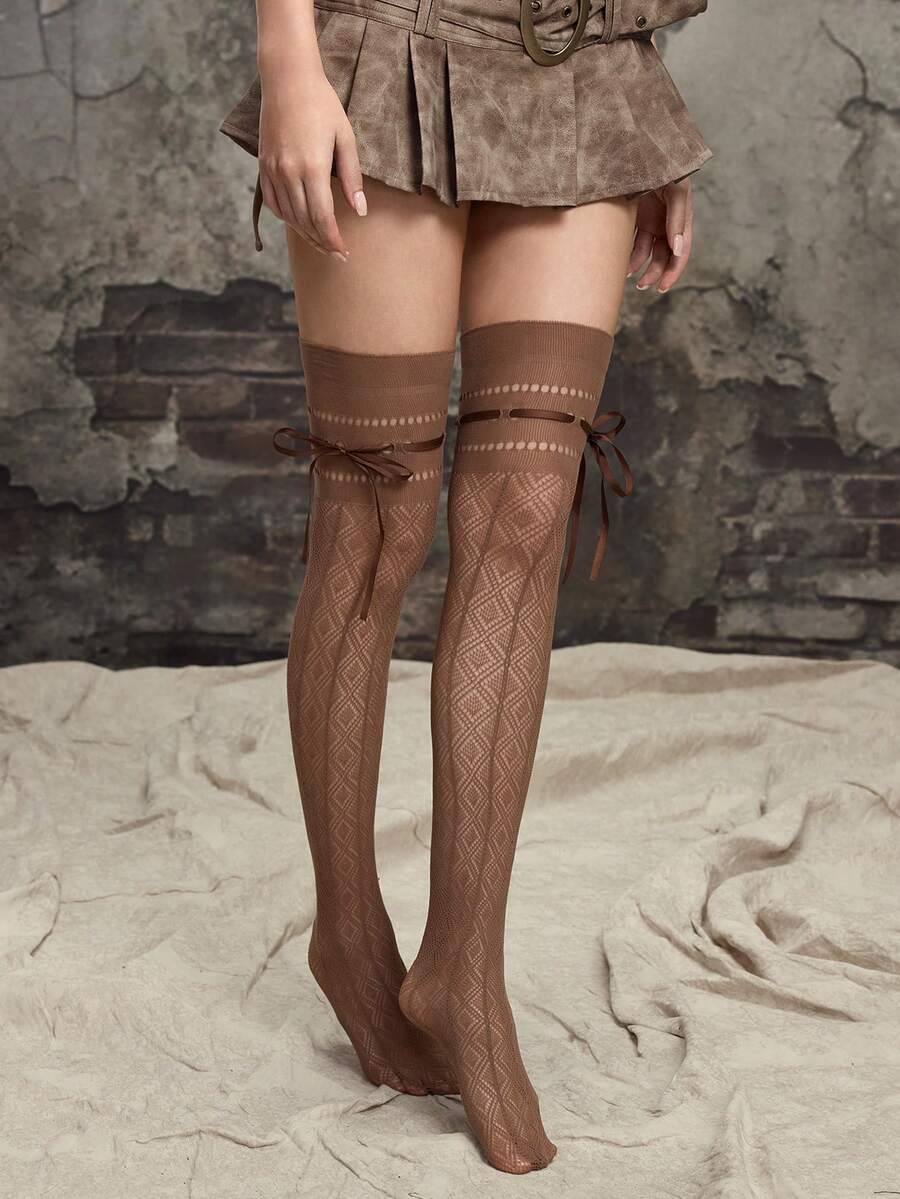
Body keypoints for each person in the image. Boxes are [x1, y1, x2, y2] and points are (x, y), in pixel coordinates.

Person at [219, 0, 712, 1173]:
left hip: (585, 69)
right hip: (391, 47)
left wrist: (646, 101)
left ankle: (465, 966)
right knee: (374, 517)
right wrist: (289, 62)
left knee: (527, 517)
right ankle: (348, 931)